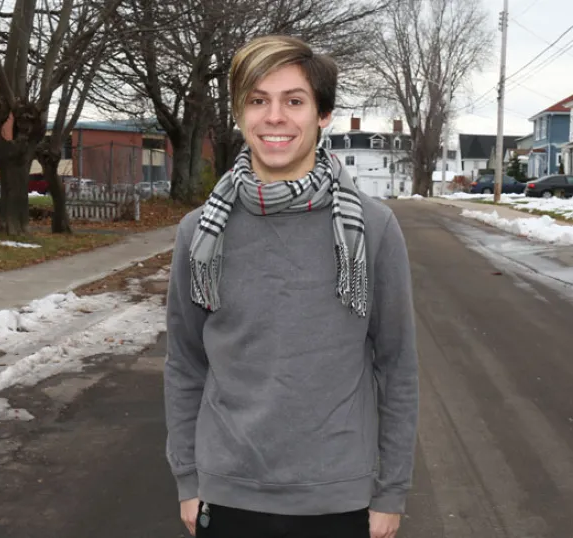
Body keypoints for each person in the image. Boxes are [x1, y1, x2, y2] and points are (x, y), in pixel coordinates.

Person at [163, 34, 419, 538]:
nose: (274, 117)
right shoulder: (200, 233)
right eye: (258, 100)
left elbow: (397, 368)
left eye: (293, 101)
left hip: (341, 498)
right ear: (241, 114)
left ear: (323, 115)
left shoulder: (373, 228)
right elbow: (185, 364)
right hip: (227, 493)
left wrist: (391, 491)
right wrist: (189, 479)